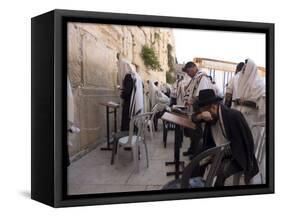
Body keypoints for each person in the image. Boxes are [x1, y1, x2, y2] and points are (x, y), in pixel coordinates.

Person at [192, 89, 259, 186]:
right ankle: (195, 184)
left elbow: (244, 145)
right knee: (197, 161)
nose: (205, 117)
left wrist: (220, 154)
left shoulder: (233, 116)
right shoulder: (209, 114)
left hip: (236, 155)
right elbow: (193, 118)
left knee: (220, 171)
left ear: (214, 106)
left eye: (205, 111)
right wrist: (201, 116)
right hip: (218, 149)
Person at [181, 61, 214, 158]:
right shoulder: (195, 78)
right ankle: (192, 149)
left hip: (201, 109)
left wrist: (191, 101)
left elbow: (201, 94)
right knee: (192, 131)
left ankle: (197, 154)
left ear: (194, 67)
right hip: (194, 109)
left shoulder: (202, 77)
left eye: (188, 71)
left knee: (197, 133)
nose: (188, 74)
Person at [120, 62, 144, 131]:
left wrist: (122, 94)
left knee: (127, 122)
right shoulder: (136, 76)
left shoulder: (128, 76)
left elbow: (127, 92)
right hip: (135, 102)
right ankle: (133, 135)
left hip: (129, 104)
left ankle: (127, 137)